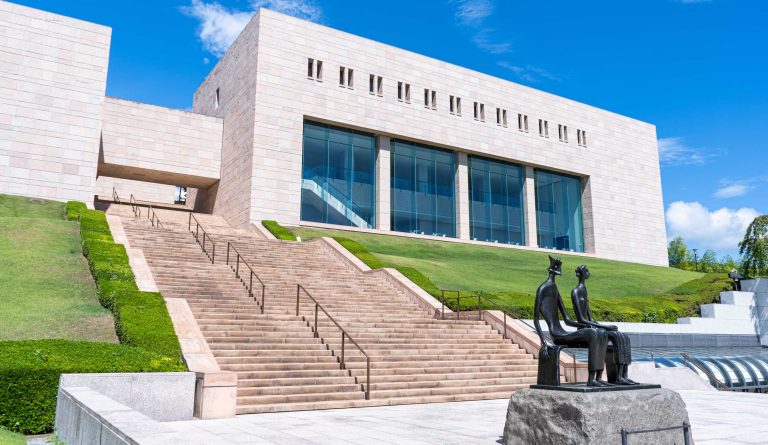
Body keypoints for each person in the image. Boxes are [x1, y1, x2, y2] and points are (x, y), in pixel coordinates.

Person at [534, 256, 609, 387]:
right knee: (592, 333)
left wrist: (586, 325)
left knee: (601, 332)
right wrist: (544, 342)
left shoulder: (555, 289)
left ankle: (598, 377)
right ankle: (591, 379)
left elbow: (567, 320)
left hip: (563, 331)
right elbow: (536, 319)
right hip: (557, 334)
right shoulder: (542, 289)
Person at [570, 265, 637, 385]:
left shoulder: (584, 291)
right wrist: (605, 327)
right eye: (586, 271)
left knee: (622, 336)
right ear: (582, 274)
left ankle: (622, 375)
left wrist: (605, 326)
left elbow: (591, 318)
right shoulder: (575, 292)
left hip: (591, 327)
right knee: (602, 333)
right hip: (583, 329)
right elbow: (581, 319)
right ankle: (595, 378)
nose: (588, 273)